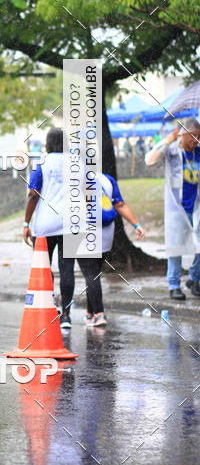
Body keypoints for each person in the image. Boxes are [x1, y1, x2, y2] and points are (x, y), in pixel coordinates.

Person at [24, 128, 145, 327]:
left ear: (47, 144)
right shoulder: (78, 164)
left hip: (45, 224)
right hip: (73, 222)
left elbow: (33, 195)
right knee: (67, 269)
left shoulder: (41, 164)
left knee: (44, 267)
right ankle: (66, 316)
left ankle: (49, 307)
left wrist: (26, 223)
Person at [145, 119, 200, 299]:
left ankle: (194, 278)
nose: (195, 140)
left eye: (198, 137)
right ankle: (174, 285)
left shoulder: (199, 152)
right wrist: (168, 140)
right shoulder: (172, 151)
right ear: (183, 134)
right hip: (177, 208)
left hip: (197, 206)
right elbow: (150, 161)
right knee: (175, 247)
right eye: (192, 136)